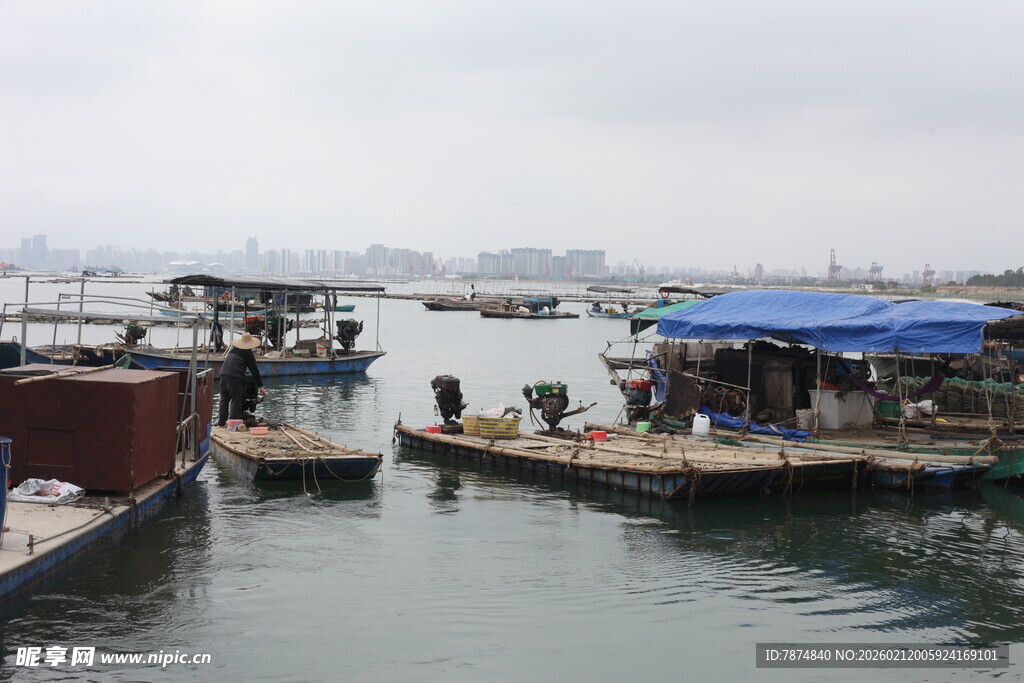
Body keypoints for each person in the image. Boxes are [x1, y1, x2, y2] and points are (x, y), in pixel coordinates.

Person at [217, 332, 269, 427]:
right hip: (234, 376)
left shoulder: (233, 350)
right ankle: (233, 424)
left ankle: (221, 423)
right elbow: (254, 370)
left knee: (224, 399)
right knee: (236, 399)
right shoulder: (247, 353)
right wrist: (260, 386)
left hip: (223, 373)